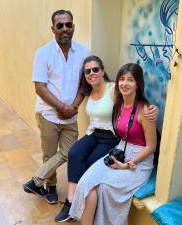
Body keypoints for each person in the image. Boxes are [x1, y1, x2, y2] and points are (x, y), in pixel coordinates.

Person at [55, 58, 158, 223]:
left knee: (102, 189)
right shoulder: (119, 104)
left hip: (139, 161)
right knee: (87, 183)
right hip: (120, 150)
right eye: (122, 79)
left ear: (138, 84)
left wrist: (127, 163)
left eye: (130, 80)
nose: (125, 83)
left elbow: (151, 146)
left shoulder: (145, 110)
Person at [23, 9, 90, 204]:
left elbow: (84, 84)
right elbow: (40, 88)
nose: (65, 29)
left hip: (72, 115)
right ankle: (50, 187)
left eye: (68, 24)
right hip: (48, 115)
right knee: (49, 154)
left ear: (73, 27)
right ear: (53, 29)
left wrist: (73, 107)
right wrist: (62, 107)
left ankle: (36, 180)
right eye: (60, 25)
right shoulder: (43, 53)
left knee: (70, 152)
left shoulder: (84, 52)